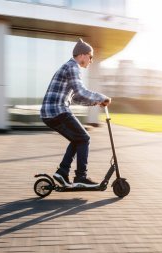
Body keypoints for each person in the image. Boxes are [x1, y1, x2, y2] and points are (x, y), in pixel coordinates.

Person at [40, 38, 111, 188]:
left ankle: (62, 172)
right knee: (84, 138)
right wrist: (102, 97)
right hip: (57, 111)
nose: (91, 61)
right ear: (83, 55)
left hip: (52, 112)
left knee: (78, 139)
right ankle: (81, 177)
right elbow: (81, 91)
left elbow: (77, 97)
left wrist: (96, 102)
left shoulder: (69, 67)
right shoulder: (73, 67)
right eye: (90, 57)